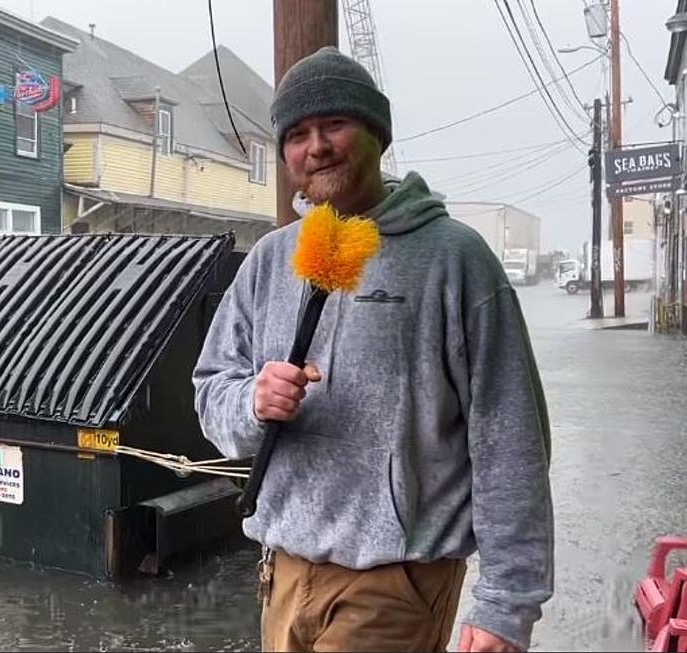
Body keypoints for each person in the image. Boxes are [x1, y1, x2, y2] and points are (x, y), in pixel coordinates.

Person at [192, 46, 553, 653]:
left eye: (334, 124)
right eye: (298, 134)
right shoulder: (269, 261)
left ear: (377, 134)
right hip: (282, 572)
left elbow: (509, 437)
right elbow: (210, 392)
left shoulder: (453, 259)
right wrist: (253, 403)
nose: (317, 146)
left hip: (396, 580)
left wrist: (506, 603)